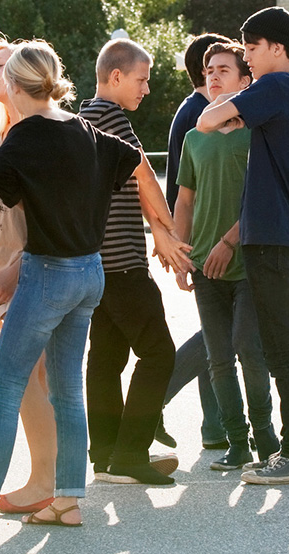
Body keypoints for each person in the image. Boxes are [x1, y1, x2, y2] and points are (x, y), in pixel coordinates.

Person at [0, 40, 141, 531]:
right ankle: (67, 500)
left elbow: (1, 180)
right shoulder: (86, 129)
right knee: (68, 391)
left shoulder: (20, 141)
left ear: (15, 86)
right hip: (90, 273)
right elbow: (130, 158)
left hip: (46, 272)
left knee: (3, 387)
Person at [197, 6, 289, 485]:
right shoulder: (282, 93)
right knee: (276, 344)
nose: (246, 56)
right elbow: (225, 124)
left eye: (251, 47)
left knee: (281, 347)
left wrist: (232, 102)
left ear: (277, 48)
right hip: (272, 233)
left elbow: (207, 120)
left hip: (270, 235)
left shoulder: (275, 87)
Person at [81, 38, 193, 486]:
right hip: (123, 262)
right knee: (159, 354)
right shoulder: (111, 118)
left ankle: (106, 455)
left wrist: (157, 231)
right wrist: (169, 234)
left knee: (106, 359)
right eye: (141, 80)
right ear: (116, 76)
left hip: (96, 265)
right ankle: (130, 453)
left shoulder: (84, 118)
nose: (146, 89)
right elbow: (143, 173)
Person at [174, 41, 277, 471]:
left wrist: (230, 241)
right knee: (218, 359)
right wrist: (180, 253)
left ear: (244, 81)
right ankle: (236, 443)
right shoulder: (194, 138)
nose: (213, 76)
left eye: (223, 70)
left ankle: (266, 438)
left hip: (247, 262)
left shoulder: (258, 135)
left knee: (250, 352)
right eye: (209, 70)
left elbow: (262, 199)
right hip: (204, 265)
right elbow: (184, 201)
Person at [0, 40, 59, 514]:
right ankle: (54, 478)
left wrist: (16, 264)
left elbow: (47, 212)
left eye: (3, 67)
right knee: (38, 374)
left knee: (27, 372)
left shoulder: (38, 132)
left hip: (36, 264)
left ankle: (46, 480)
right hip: (2, 262)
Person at [156, 32, 230, 451]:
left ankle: (215, 426)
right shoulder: (200, 115)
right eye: (214, 68)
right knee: (221, 333)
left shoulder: (199, 109)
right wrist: (181, 245)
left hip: (205, 236)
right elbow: (187, 193)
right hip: (207, 237)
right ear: (204, 71)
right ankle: (154, 397)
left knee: (215, 332)